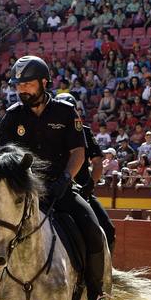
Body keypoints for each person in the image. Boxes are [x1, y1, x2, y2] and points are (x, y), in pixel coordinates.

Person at [0, 55, 119, 300]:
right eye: (18, 85)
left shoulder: (66, 113)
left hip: (60, 189)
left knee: (94, 230)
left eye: (28, 84)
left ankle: (96, 298)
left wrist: (66, 179)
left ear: (44, 82)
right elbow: (4, 157)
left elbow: (78, 153)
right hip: (23, 194)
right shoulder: (12, 116)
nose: (22, 90)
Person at [55, 92, 115, 254]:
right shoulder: (50, 131)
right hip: (55, 189)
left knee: (108, 230)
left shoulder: (85, 131)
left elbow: (97, 163)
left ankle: (105, 272)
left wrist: (90, 185)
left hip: (82, 190)